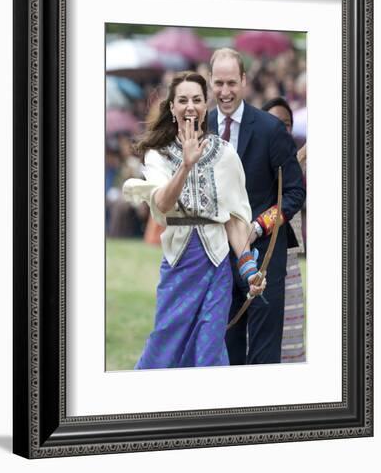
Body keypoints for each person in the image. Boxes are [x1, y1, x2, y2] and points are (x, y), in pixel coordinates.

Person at [123, 71, 265, 369]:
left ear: (206, 104)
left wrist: (249, 269)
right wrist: (186, 166)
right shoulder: (157, 155)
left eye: (197, 100)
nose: (190, 106)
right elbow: (162, 203)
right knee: (166, 340)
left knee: (209, 348)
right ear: (172, 108)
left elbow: (234, 220)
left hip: (217, 265)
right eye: (183, 100)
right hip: (179, 262)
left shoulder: (225, 154)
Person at [208, 48, 306, 364]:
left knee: (263, 357)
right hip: (215, 257)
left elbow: (293, 193)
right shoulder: (200, 129)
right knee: (225, 350)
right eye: (219, 83)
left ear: (245, 81)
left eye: (231, 83)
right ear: (210, 82)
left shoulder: (270, 129)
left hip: (263, 253)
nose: (225, 91)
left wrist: (259, 226)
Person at [262, 97, 306, 363]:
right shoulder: (255, 162)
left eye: (286, 125)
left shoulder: (296, 166)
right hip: (260, 260)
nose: (281, 130)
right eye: (274, 124)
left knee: (291, 337)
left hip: (290, 263)